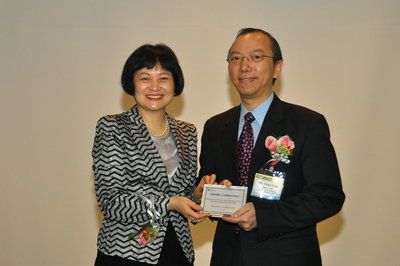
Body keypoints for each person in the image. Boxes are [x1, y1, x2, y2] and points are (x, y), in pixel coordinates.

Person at [196, 28, 345, 266]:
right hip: (228, 257)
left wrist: (263, 216)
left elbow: (327, 197)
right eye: (235, 58)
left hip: (285, 257)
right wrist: (202, 193)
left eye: (256, 57)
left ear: (277, 68)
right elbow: (207, 182)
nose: (244, 66)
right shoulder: (215, 126)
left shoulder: (307, 124)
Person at [92, 44, 208, 266]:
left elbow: (181, 193)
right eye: (145, 78)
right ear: (131, 83)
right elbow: (111, 201)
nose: (155, 86)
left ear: (175, 84)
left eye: (163, 78)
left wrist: (196, 195)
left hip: (178, 249)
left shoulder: (187, 132)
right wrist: (170, 203)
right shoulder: (112, 127)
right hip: (127, 251)